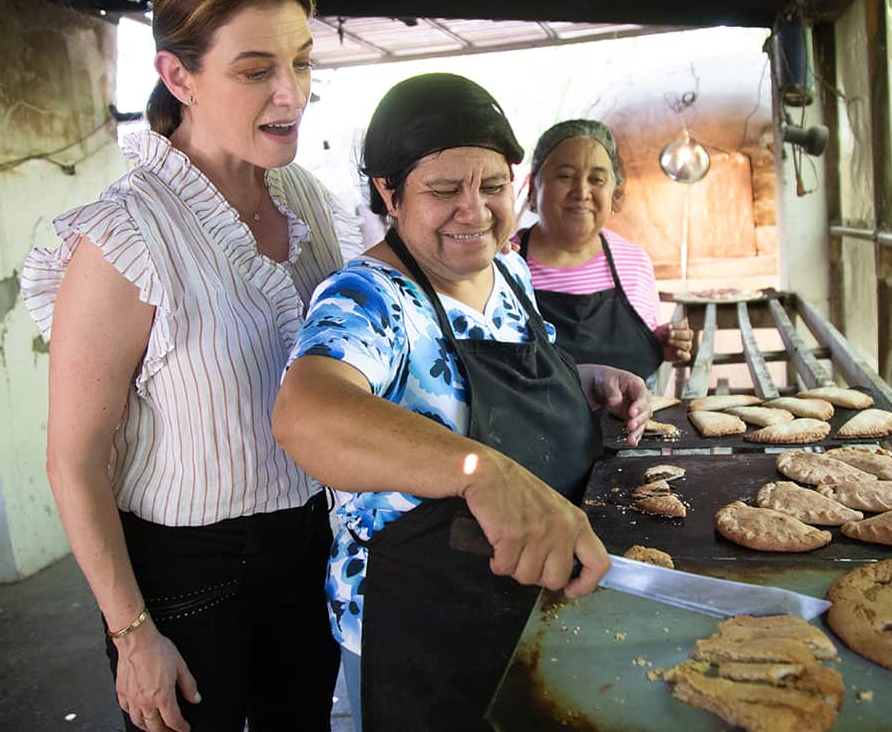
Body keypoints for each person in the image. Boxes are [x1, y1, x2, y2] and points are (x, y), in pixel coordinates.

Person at [20, 0, 353, 732]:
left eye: (302, 64)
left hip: (309, 542)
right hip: (188, 576)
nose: (291, 93)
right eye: (255, 69)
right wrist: (132, 635)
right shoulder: (125, 237)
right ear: (179, 77)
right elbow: (73, 460)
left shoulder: (303, 197)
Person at [272, 73, 652, 732]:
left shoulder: (509, 270)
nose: (474, 211)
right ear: (388, 192)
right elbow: (305, 413)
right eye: (444, 190)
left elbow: (512, 371)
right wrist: (479, 469)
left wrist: (585, 379)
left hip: (530, 597)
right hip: (421, 632)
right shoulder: (368, 297)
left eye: (494, 186)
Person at [515, 119, 694, 382]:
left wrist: (660, 344)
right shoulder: (504, 262)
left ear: (614, 193)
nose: (582, 191)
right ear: (533, 187)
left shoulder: (634, 263)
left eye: (597, 179)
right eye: (564, 175)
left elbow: (642, 356)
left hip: (633, 421)